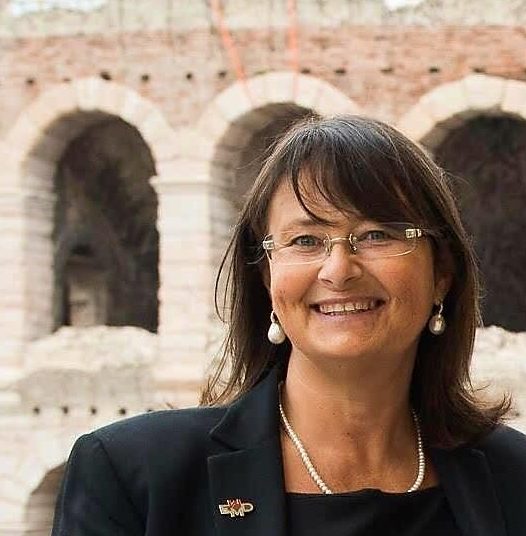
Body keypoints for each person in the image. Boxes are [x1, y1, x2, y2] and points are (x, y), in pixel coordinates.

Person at [52, 115, 526, 536]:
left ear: (441, 273)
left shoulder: (515, 478)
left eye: (376, 234)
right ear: (267, 278)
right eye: (305, 240)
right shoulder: (133, 476)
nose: (338, 270)